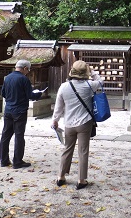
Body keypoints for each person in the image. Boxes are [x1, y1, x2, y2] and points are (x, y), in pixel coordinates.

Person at [52, 60, 102, 189]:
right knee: (83, 151)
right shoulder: (90, 85)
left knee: (67, 149)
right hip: (85, 122)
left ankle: (61, 176)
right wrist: (92, 72)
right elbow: (101, 81)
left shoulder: (64, 86)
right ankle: (81, 179)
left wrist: (55, 120)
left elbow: (58, 107)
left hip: (69, 122)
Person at [0, 60, 43, 169]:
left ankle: (4, 160)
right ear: (24, 68)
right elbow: (30, 95)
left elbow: (3, 93)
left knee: (5, 135)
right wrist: (39, 94)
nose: (28, 72)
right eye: (28, 69)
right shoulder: (24, 79)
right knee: (19, 136)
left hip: (8, 109)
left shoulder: (8, 78)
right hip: (20, 111)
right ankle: (17, 161)